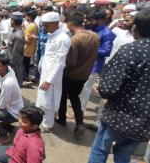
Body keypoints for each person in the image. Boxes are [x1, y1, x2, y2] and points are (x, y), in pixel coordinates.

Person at [87, 10, 150, 163]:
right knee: (123, 154)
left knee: (100, 150)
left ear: (136, 28)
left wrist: (100, 89)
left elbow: (109, 88)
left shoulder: (131, 50)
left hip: (119, 116)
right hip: (144, 121)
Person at [56, 12, 99, 136]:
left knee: (63, 96)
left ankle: (62, 119)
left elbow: (71, 61)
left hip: (71, 74)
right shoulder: (95, 36)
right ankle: (79, 123)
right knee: (75, 97)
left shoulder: (75, 39)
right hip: (85, 74)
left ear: (70, 24)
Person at [35, 12, 71, 133]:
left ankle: (48, 125)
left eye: (46, 25)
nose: (44, 28)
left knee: (49, 102)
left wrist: (49, 80)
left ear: (55, 23)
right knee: (43, 100)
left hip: (51, 77)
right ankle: (44, 120)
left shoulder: (62, 39)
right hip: (46, 72)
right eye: (43, 25)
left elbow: (60, 63)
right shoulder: (53, 34)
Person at [79, 10, 116, 113]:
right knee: (81, 87)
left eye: (90, 20)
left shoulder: (107, 33)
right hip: (83, 63)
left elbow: (107, 51)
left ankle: (79, 110)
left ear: (100, 20)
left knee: (85, 88)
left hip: (94, 66)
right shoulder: (91, 29)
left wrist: (90, 48)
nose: (87, 22)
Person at [7, 12, 25, 87]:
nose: (10, 22)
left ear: (13, 21)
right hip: (13, 64)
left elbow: (16, 54)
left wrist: (10, 66)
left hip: (14, 66)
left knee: (13, 85)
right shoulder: (15, 32)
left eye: (11, 20)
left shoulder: (18, 35)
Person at [23, 11, 38, 81]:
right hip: (30, 49)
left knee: (25, 64)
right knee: (26, 63)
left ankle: (25, 76)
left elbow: (28, 40)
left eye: (27, 16)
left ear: (30, 17)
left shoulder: (31, 26)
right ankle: (26, 76)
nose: (26, 17)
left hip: (26, 49)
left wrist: (21, 36)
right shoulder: (34, 25)